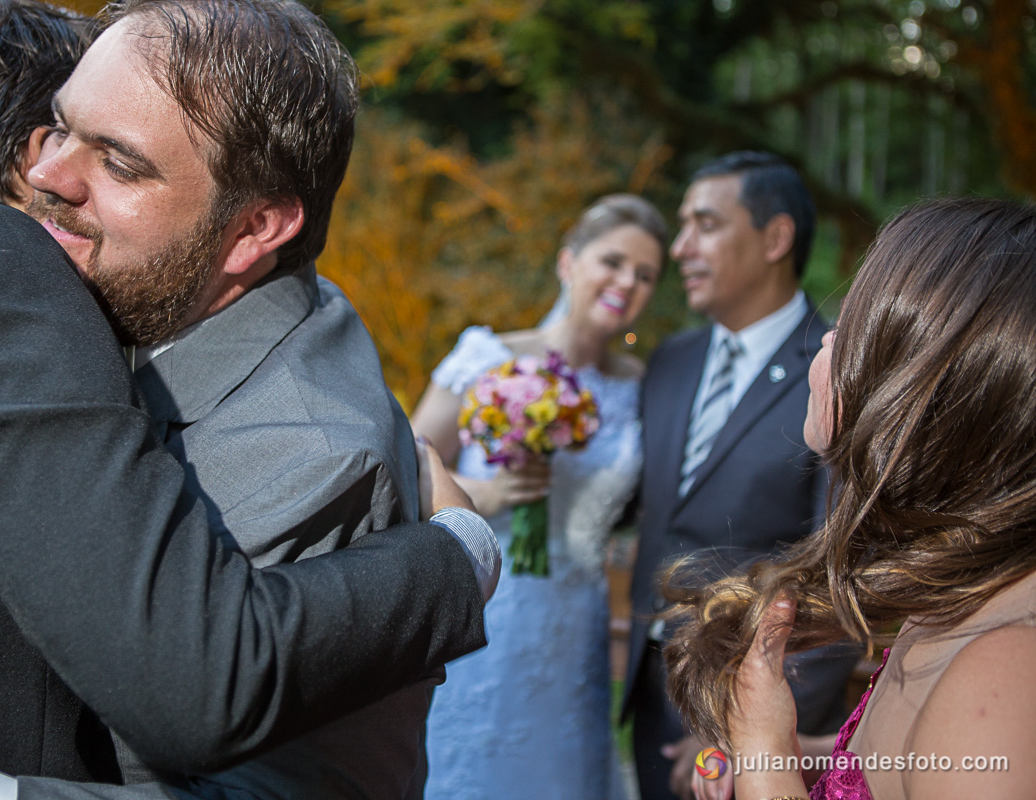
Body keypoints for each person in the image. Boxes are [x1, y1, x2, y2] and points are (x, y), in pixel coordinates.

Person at [0, 0, 499, 797]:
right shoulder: (118, 305)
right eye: (59, 126)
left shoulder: (310, 460)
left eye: (119, 163)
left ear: (256, 228)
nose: (44, 174)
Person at [664, 197, 1036, 800]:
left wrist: (761, 756)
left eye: (859, 324)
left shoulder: (1004, 676)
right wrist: (803, 757)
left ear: (925, 387)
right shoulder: (964, 593)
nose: (829, 337)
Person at [410, 193, 666, 798]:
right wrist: (488, 494)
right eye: (613, 261)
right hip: (487, 605)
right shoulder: (486, 356)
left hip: (578, 622)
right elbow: (410, 462)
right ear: (568, 262)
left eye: (646, 275)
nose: (626, 282)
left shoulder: (641, 387)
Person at [620, 151, 858, 800]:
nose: (680, 247)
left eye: (704, 224)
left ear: (776, 237)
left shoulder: (838, 366)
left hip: (752, 724)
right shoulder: (670, 360)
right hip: (651, 699)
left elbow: (837, 575)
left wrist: (744, 727)